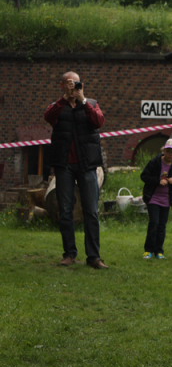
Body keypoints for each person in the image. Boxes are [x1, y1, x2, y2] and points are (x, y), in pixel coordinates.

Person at [44, 71, 108, 269]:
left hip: (87, 164)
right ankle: (69, 254)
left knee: (91, 211)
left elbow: (99, 122)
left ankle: (94, 257)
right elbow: (48, 117)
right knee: (65, 210)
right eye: (70, 84)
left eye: (77, 84)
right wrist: (64, 99)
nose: (74, 88)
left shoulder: (91, 104)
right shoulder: (58, 107)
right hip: (64, 165)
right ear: (63, 85)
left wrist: (83, 100)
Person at [140, 139, 172, 259]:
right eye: (168, 151)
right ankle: (148, 250)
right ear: (163, 150)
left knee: (162, 226)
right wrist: (158, 181)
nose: (170, 154)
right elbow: (144, 176)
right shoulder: (155, 162)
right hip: (153, 198)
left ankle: (159, 251)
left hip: (166, 200)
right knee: (154, 223)